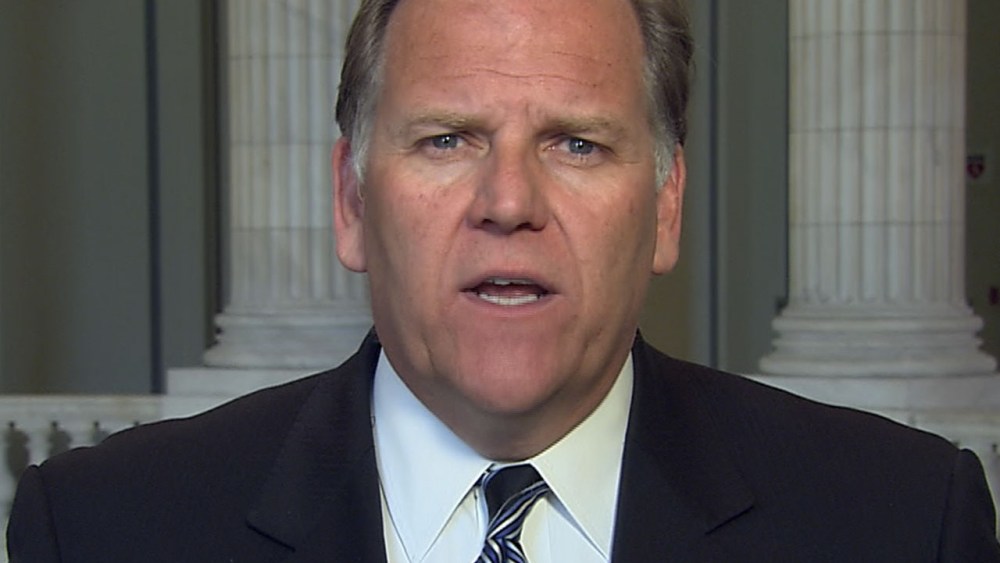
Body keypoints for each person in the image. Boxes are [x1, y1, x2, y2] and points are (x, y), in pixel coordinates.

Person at [7, 0, 1000, 560]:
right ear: (351, 200)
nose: (509, 200)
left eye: (576, 142)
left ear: (664, 206)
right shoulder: (103, 530)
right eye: (447, 139)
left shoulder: (902, 522)